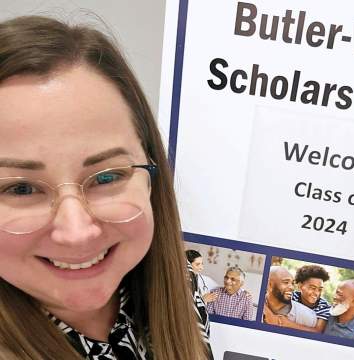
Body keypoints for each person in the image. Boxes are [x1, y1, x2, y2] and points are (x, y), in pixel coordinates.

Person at [0, 16, 208, 359]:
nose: (77, 233)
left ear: (151, 172)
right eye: (21, 189)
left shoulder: (184, 287)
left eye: (106, 177)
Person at [263, 266, 319, 330]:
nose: (291, 287)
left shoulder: (308, 317)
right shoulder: (255, 306)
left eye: (292, 283)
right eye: (286, 282)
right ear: (269, 285)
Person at [292, 264, 331, 332]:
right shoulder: (292, 297)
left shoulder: (324, 307)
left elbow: (317, 331)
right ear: (300, 286)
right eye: (313, 288)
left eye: (320, 289)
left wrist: (286, 323)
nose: (316, 293)